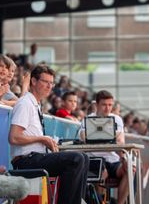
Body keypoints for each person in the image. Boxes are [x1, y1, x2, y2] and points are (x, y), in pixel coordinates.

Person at [9, 65, 89, 204]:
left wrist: (47, 141)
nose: (49, 86)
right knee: (76, 159)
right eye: (46, 82)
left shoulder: (35, 104)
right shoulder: (25, 103)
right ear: (33, 81)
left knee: (84, 157)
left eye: (51, 83)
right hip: (26, 160)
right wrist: (42, 139)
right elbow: (14, 137)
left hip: (36, 156)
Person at [82, 90, 132, 204]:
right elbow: (83, 136)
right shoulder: (88, 119)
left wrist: (123, 158)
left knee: (130, 169)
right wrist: (108, 139)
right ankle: (99, 201)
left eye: (110, 105)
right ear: (97, 105)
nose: (107, 108)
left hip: (113, 159)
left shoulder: (117, 119)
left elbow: (119, 141)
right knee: (100, 172)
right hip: (95, 159)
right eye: (104, 105)